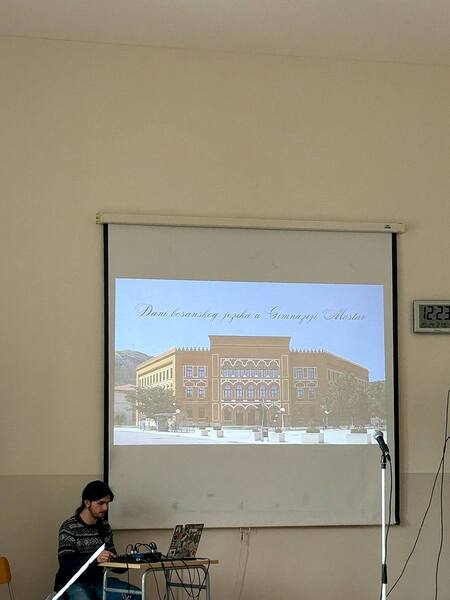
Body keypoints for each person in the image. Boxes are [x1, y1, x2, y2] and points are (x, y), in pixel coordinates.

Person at [54, 480, 139, 599]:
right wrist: (96, 559)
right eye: (101, 503)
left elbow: (112, 562)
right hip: (73, 583)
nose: (105, 508)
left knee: (135, 595)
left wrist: (130, 560)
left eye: (107, 503)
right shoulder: (69, 527)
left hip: (98, 582)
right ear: (87, 503)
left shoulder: (105, 526)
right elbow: (67, 563)